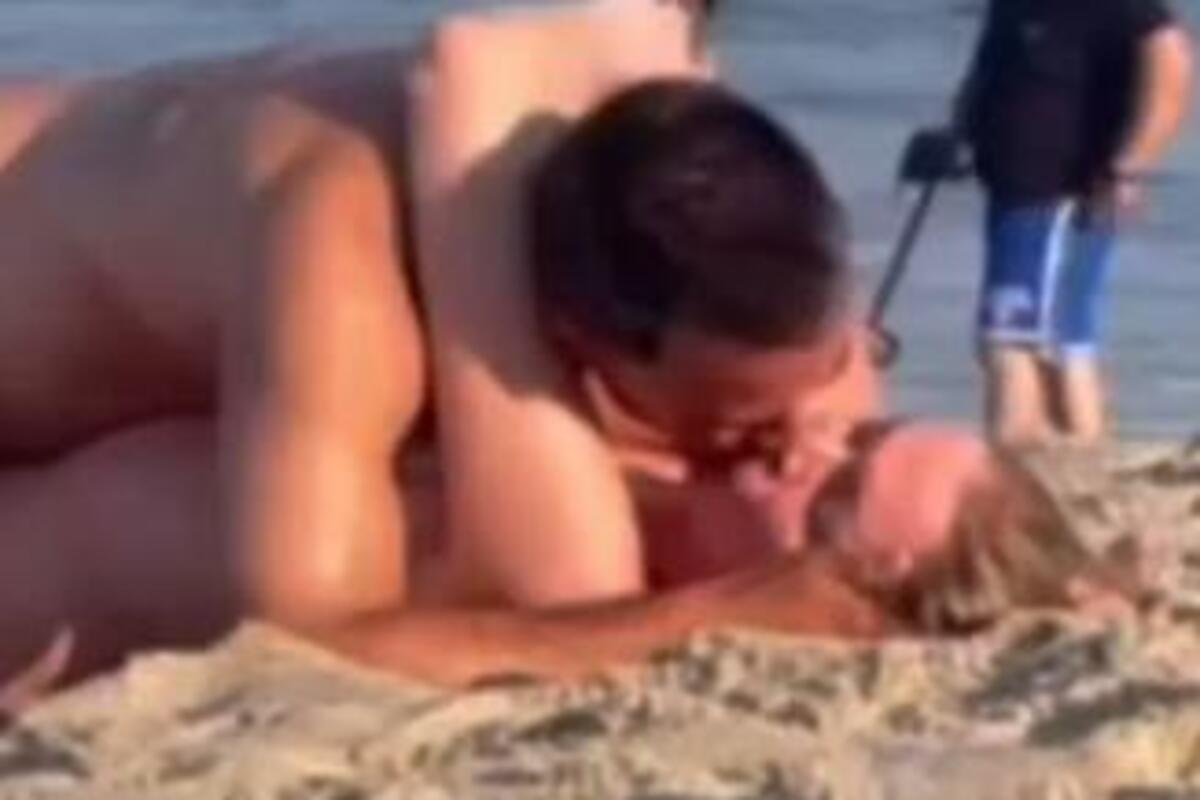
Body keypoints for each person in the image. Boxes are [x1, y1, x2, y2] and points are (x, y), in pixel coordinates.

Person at [0, 1, 1127, 703]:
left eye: (842, 417)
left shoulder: (691, 226)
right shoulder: (346, 278)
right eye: (745, 426)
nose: (813, 431)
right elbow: (306, 650)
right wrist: (725, 609)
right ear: (589, 350)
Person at [954, 0, 1193, 446]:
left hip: (1061, 188)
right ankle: (1077, 452)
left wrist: (1131, 166)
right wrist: (960, 131)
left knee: (1013, 339)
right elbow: (993, 67)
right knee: (1056, 333)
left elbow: (1172, 64)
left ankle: (1025, 455)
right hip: (1016, 185)